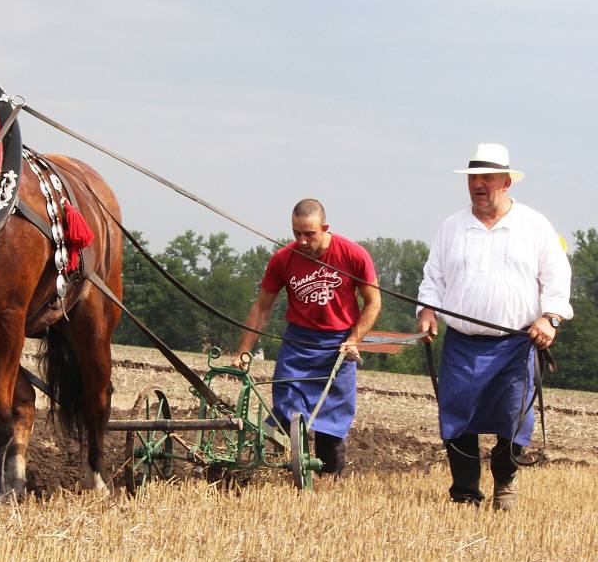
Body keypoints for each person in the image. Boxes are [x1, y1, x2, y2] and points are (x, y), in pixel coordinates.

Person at [417, 143, 573, 510]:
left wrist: (550, 317)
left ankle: (505, 482)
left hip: (516, 343)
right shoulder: (451, 227)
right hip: (462, 343)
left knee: (513, 419)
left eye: (487, 178)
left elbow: (556, 277)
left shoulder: (534, 225)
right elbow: (433, 277)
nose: (479, 184)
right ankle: (465, 493)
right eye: (473, 178)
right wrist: (427, 311)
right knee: (457, 416)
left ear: (507, 182)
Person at [232, 198, 381, 476]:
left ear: (325, 228)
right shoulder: (283, 259)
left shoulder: (353, 254)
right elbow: (262, 307)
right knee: (286, 413)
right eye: (296, 233)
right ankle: (278, 470)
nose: (302, 240)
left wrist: (355, 338)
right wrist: (244, 350)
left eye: (309, 233)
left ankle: (329, 481)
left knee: (332, 423)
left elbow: (373, 302)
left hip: (338, 345)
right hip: (298, 345)